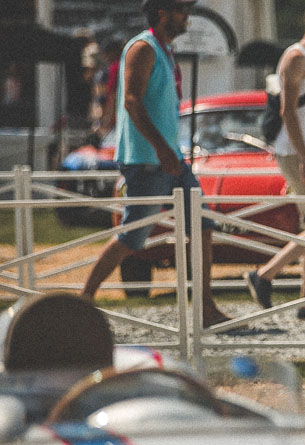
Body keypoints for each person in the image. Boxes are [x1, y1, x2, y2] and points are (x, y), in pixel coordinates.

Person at [81, 0, 229, 328]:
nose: (186, 16)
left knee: (203, 226)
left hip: (169, 158)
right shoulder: (142, 48)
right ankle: (84, 301)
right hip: (148, 160)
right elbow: (131, 102)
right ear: (162, 13)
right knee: (132, 238)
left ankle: (205, 307)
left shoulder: (164, 50)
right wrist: (162, 148)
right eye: (181, 10)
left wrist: (168, 151)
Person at [243, 0, 305, 321]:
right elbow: (288, 110)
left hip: (304, 151)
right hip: (295, 152)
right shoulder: (296, 58)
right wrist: (304, 158)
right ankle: (264, 275)